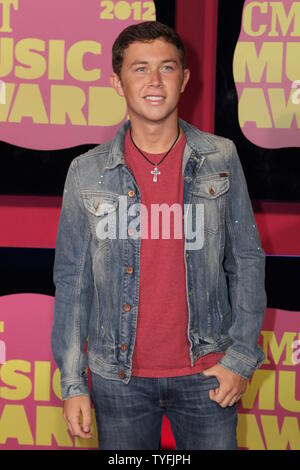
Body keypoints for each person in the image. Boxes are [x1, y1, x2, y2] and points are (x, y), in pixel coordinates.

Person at [51, 21, 267, 450]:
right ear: (117, 81)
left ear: (185, 79)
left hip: (207, 375)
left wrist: (240, 359)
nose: (154, 81)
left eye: (167, 68)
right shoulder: (86, 172)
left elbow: (246, 260)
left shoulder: (220, 157)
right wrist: (74, 383)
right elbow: (73, 282)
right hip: (118, 379)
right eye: (139, 69)